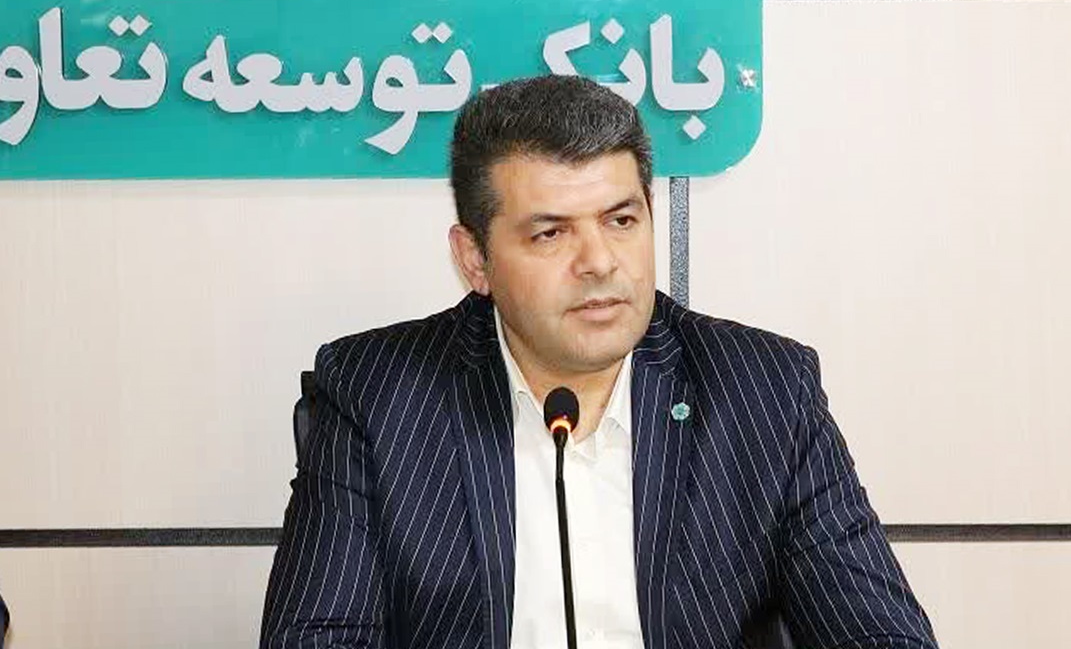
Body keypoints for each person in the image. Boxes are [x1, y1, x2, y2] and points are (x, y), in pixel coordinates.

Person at [260, 75, 938, 649]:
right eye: (550, 233)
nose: (599, 262)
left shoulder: (763, 392)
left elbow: (880, 636)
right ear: (475, 260)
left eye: (621, 221)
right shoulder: (377, 396)